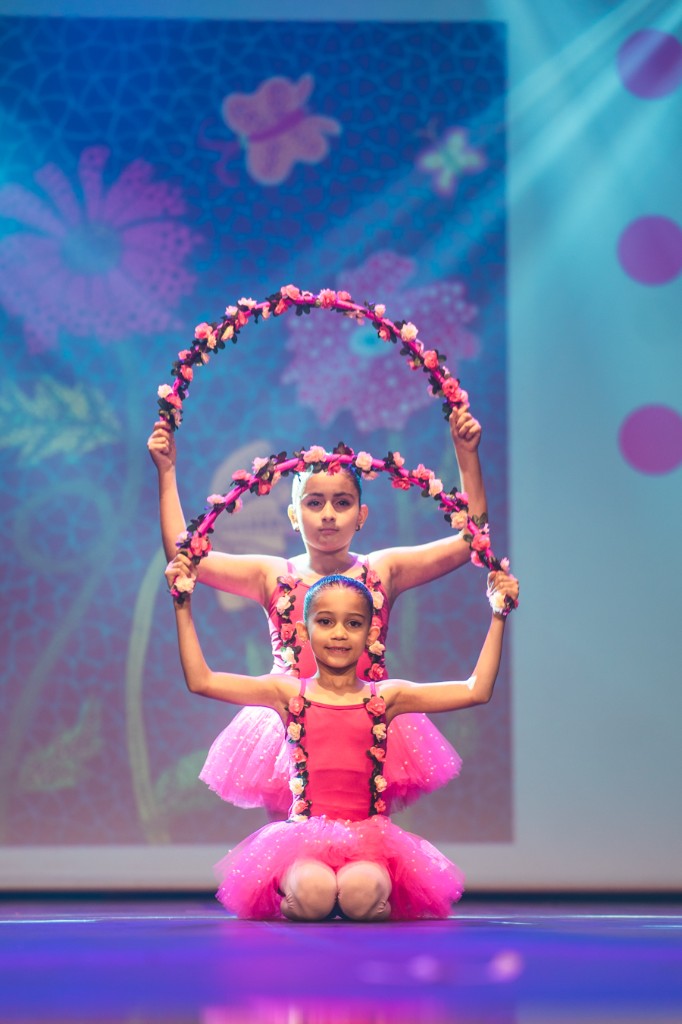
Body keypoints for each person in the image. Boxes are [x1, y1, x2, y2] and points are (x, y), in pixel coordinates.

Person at [147, 408, 487, 812]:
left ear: (360, 516)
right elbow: (184, 555)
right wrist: (166, 472)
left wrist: (467, 457)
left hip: (362, 717)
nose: (328, 514)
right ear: (294, 515)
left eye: (342, 503)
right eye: (314, 502)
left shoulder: (383, 569)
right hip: (289, 721)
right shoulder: (270, 574)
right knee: (290, 841)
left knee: (365, 830)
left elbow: (473, 542)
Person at [164, 560, 519, 921]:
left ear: (370, 633)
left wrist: (498, 615)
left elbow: (476, 690)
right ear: (303, 631)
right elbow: (202, 680)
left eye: (353, 624)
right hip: (301, 841)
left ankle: (368, 896)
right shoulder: (287, 692)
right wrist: (182, 605)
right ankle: (299, 895)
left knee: (360, 897)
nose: (339, 634)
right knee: (313, 897)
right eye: (325, 622)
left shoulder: (387, 696)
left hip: (370, 842)